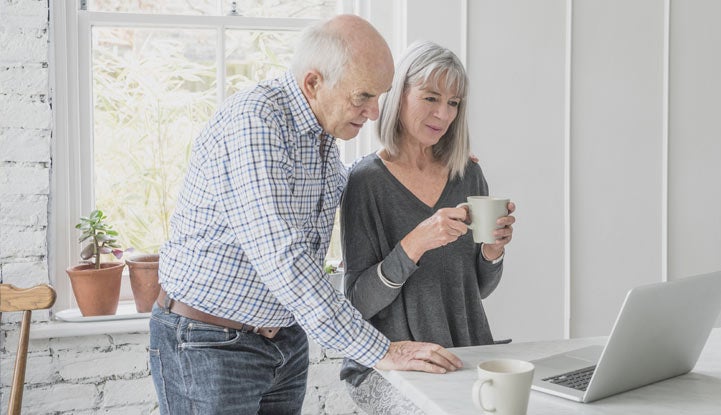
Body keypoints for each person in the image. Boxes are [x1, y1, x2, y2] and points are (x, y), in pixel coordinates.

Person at [149, 16, 462, 414]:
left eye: (379, 96)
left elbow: (348, 188)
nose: (373, 112)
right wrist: (381, 351)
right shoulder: (255, 122)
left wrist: (428, 163)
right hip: (210, 343)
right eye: (362, 96)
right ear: (313, 83)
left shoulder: (322, 136)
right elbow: (285, 257)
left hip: (283, 341)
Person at [339, 40, 517, 414]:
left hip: (464, 354)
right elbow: (357, 303)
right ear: (398, 94)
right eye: (431, 97)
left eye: (454, 103)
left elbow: (476, 291)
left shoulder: (468, 174)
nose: (443, 113)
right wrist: (415, 243)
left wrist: (492, 252)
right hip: (390, 366)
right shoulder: (366, 182)